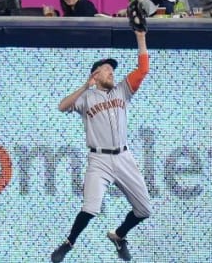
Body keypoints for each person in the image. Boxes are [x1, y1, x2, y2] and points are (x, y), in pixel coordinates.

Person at [50, 30, 152, 263]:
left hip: (124, 157)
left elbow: (143, 70)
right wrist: (86, 86)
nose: (111, 72)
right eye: (107, 69)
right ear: (95, 74)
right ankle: (68, 243)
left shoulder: (122, 90)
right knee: (91, 208)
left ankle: (119, 236)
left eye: (112, 70)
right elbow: (62, 106)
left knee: (144, 210)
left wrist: (140, 36)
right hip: (99, 160)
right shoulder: (86, 98)